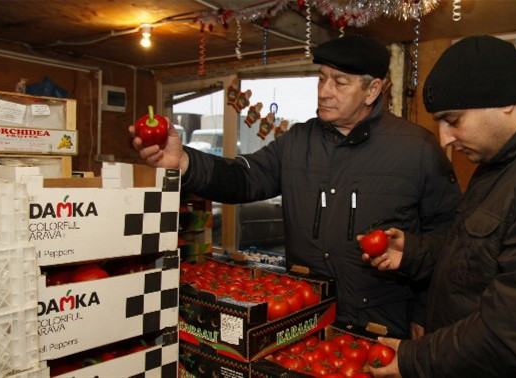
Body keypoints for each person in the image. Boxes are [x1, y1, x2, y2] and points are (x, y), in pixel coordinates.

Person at [130, 35, 461, 339]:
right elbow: (243, 177)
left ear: (372, 90)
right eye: (321, 78)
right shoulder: (297, 141)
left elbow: (446, 239)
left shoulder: (418, 149)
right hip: (301, 318)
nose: (324, 91)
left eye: (339, 82)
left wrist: (423, 312)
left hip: (380, 325)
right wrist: (184, 163)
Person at [362, 35, 516, 377]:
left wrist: (417, 359)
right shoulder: (502, 160)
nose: (444, 139)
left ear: (502, 100)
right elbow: (484, 253)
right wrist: (415, 252)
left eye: (452, 120)